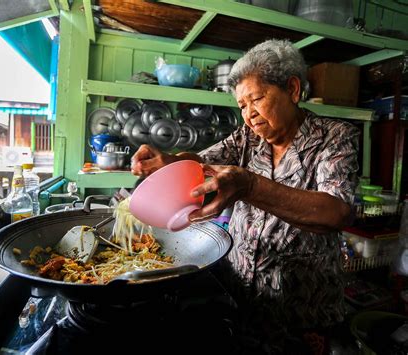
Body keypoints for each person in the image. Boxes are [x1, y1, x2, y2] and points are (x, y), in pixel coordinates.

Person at [131, 39, 359, 354]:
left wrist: (250, 186)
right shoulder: (248, 138)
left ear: (292, 89)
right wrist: (167, 160)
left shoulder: (334, 137)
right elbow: (201, 163)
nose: (249, 115)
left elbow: (336, 212)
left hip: (303, 312)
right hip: (244, 300)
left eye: (256, 99)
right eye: (242, 106)